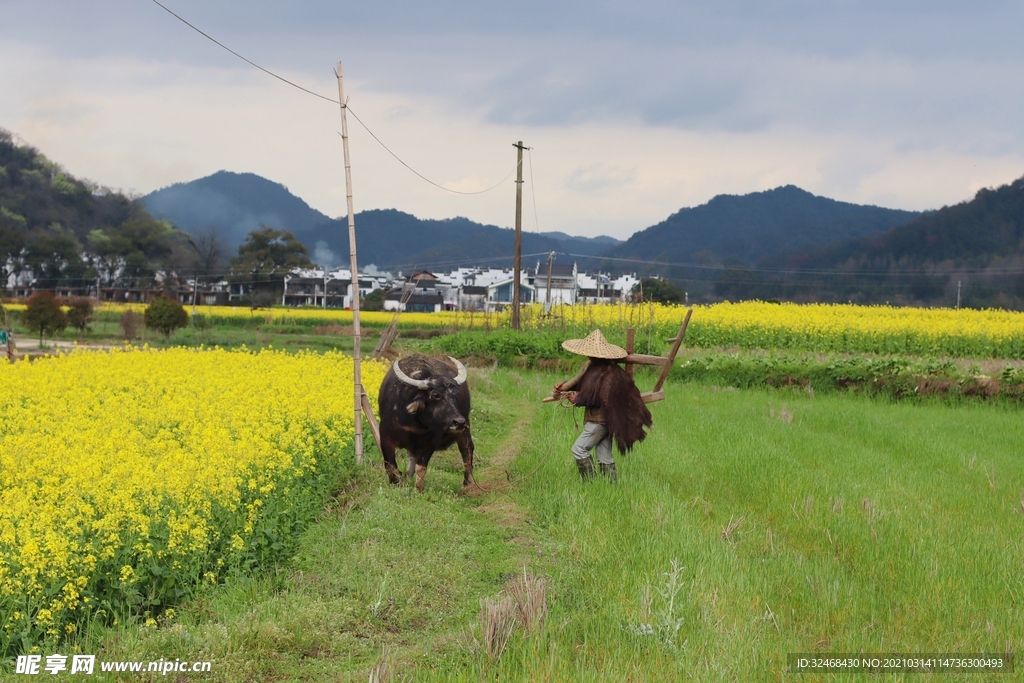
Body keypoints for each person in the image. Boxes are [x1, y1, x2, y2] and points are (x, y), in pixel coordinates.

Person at [553, 329, 653, 482]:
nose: (588, 355)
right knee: (604, 455)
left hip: (599, 422)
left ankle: (590, 483)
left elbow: (605, 398)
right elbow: (585, 386)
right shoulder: (596, 369)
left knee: (579, 449)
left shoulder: (609, 373)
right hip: (605, 422)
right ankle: (610, 486)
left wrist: (579, 400)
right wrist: (564, 385)